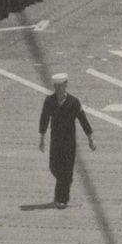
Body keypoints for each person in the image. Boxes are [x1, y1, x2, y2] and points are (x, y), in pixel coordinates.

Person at [37, 73, 96, 209]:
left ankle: (61, 199)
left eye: (61, 86)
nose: (58, 89)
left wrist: (90, 139)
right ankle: (65, 182)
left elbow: (83, 120)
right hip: (56, 141)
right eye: (56, 86)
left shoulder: (73, 102)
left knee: (66, 170)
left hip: (69, 142)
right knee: (54, 167)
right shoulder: (49, 101)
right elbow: (44, 119)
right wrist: (42, 138)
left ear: (65, 85)